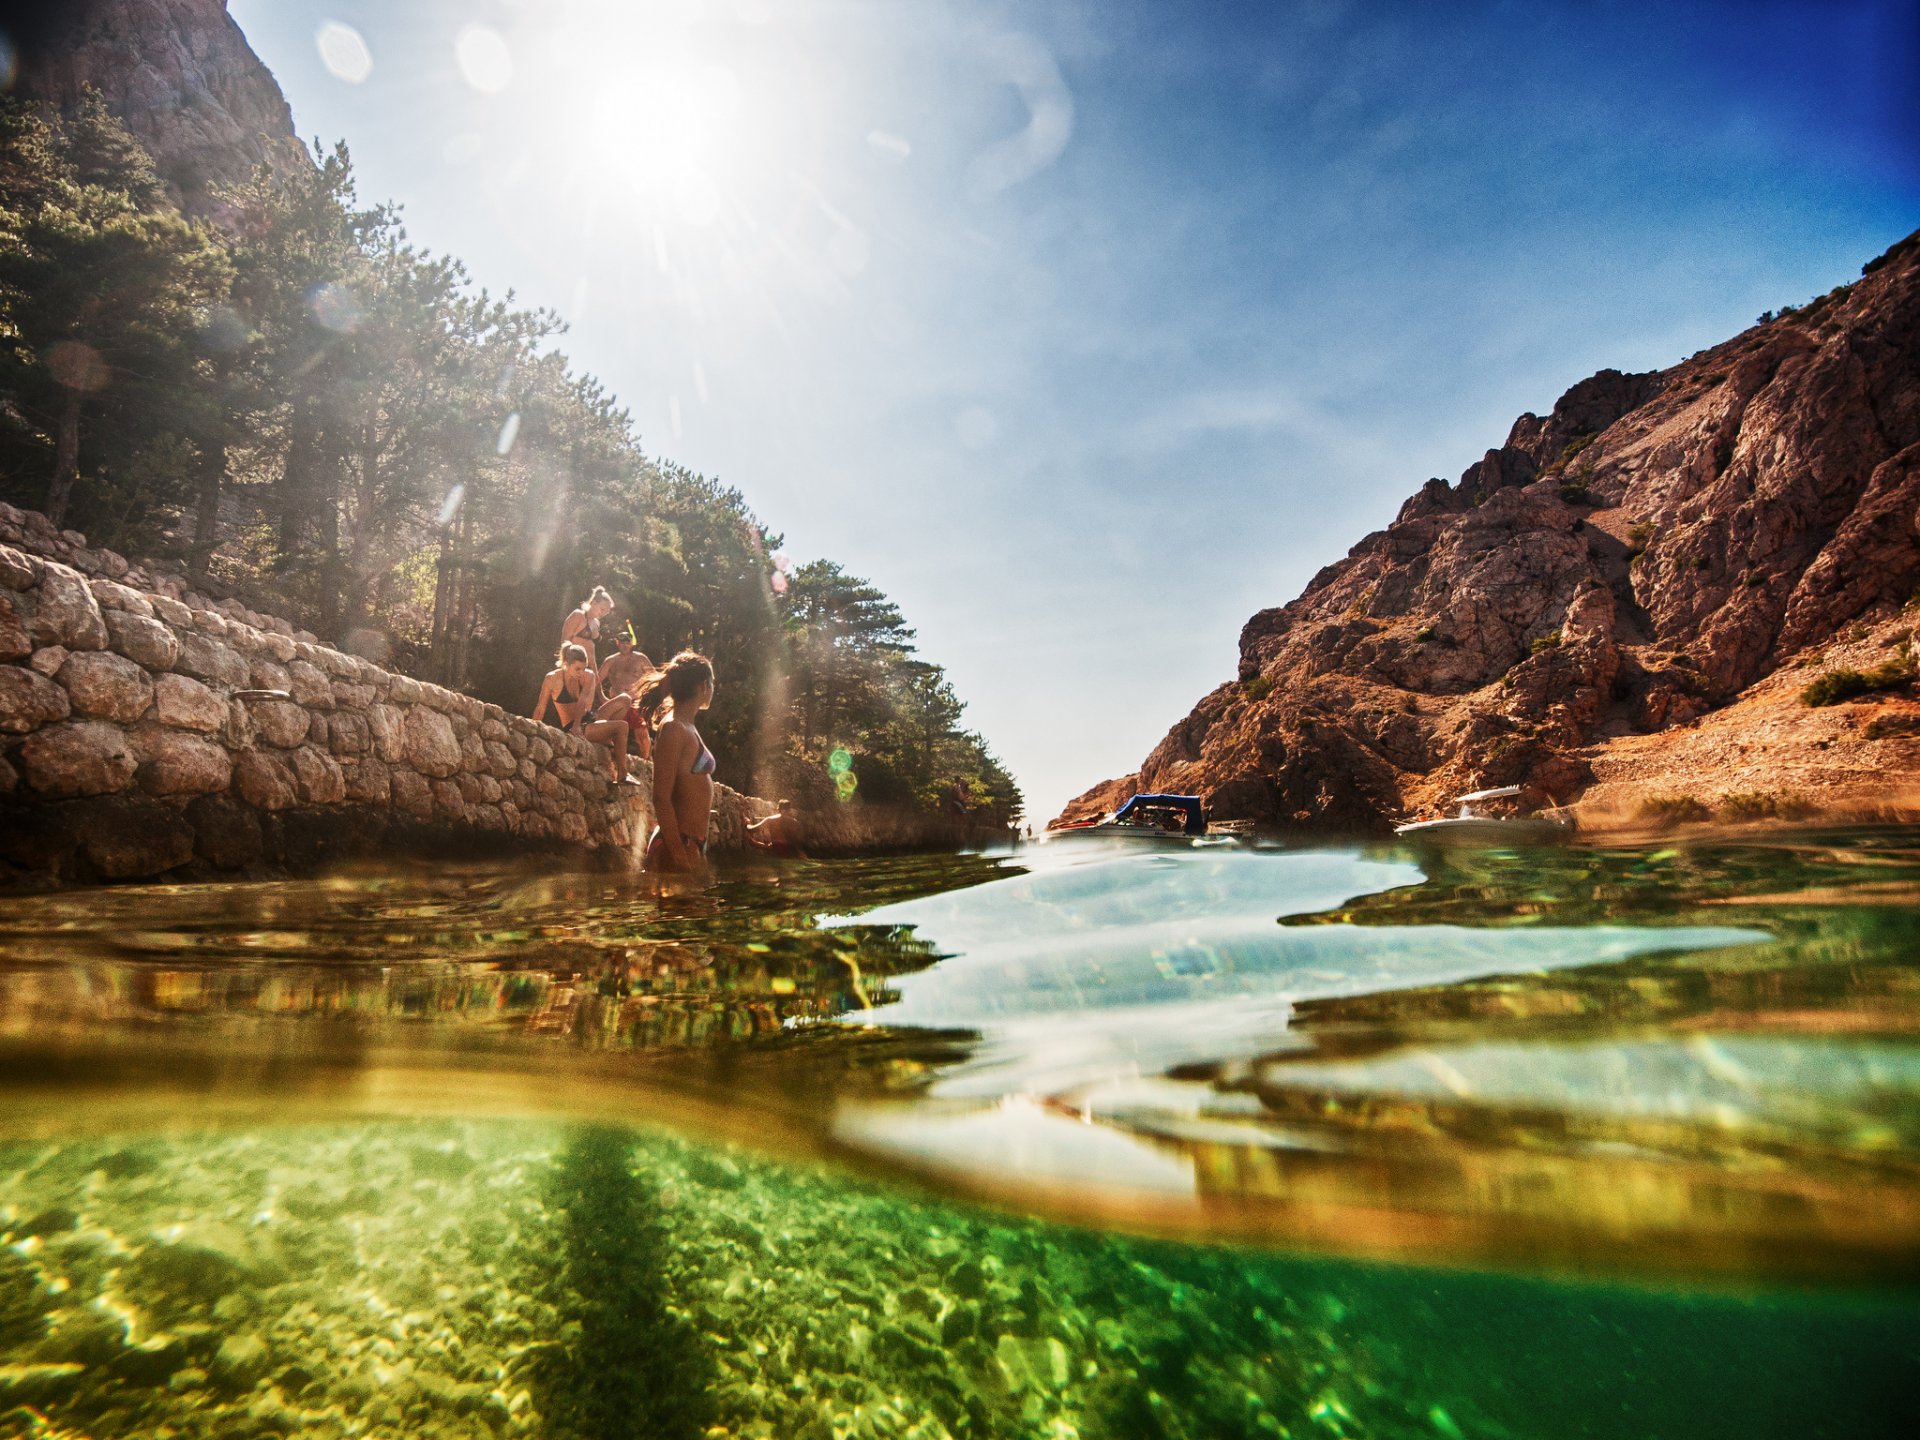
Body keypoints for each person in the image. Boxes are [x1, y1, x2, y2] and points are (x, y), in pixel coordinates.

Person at [638, 651, 718, 872]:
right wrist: (680, 857)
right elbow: (661, 798)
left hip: (689, 843)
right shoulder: (674, 728)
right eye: (712, 684)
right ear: (704, 685)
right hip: (678, 844)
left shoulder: (686, 726)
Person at [532, 643, 636, 783]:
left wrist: (579, 725)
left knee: (625, 699)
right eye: (577, 668)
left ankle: (607, 738)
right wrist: (532, 729)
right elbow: (540, 708)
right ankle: (623, 774)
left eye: (584, 668)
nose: (581, 672)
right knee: (622, 726)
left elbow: (583, 702)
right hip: (572, 726)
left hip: (589, 719)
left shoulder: (589, 676)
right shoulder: (552, 679)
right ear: (566, 664)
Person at [598, 623, 655, 763]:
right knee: (614, 732)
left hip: (636, 701)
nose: (625, 645)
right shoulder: (611, 660)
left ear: (632, 643)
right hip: (617, 702)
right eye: (622, 642)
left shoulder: (641, 658)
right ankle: (613, 760)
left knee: (641, 733)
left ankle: (647, 760)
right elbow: (596, 680)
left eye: (627, 642)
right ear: (617, 643)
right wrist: (602, 697)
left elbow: (654, 678)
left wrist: (648, 700)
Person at [560, 585, 614, 670]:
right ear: (594, 602)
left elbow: (591, 650)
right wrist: (566, 665)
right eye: (602, 609)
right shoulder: (578, 615)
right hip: (573, 665)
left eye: (606, 612)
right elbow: (564, 642)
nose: (603, 614)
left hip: (590, 668)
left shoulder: (596, 623)